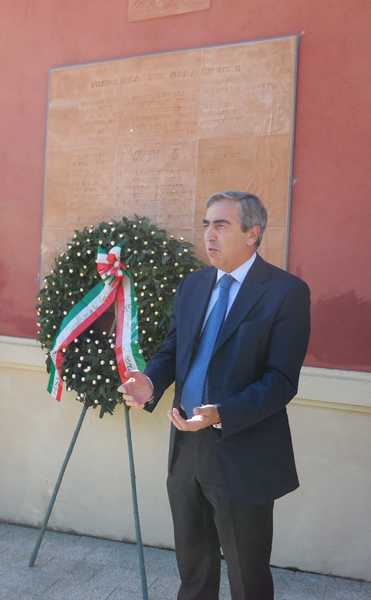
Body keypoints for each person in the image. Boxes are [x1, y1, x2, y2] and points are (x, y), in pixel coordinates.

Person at [119, 191, 311, 600]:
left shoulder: (285, 292)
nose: (209, 234)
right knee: (194, 568)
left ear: (252, 233)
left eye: (221, 225)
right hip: (186, 445)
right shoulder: (193, 285)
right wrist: (150, 382)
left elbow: (281, 380)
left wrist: (221, 412)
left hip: (243, 448)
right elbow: (174, 349)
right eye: (207, 224)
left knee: (248, 575)